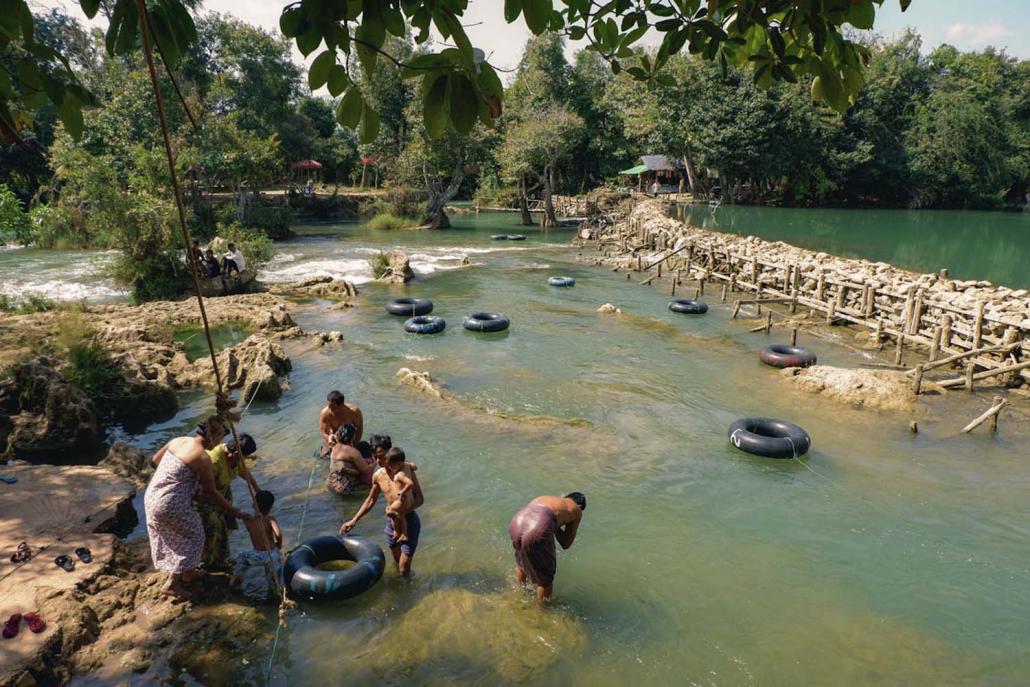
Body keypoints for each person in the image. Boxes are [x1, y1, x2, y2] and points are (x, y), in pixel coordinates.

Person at [144, 417, 249, 602]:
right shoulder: (203, 457)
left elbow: (155, 460)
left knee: (180, 534)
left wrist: (175, 476)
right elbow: (211, 493)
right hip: (171, 503)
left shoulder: (178, 440)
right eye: (219, 438)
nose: (219, 443)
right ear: (213, 437)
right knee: (196, 537)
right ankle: (172, 583)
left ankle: (188, 573)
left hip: (152, 495)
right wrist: (234, 512)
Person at [341, 442, 424, 577]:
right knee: (397, 562)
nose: (379, 461)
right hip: (392, 524)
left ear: (390, 454)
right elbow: (371, 500)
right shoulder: (378, 476)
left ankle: (410, 589)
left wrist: (403, 512)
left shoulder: (406, 471)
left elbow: (420, 499)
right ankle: (400, 590)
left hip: (409, 521)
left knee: (404, 568)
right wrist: (354, 520)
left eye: (382, 457)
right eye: (375, 457)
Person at [508, 493, 586, 603]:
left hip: (517, 520)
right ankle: (542, 611)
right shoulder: (576, 509)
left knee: (522, 563)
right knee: (546, 579)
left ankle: (521, 594)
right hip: (540, 522)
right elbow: (566, 544)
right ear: (580, 506)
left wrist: (553, 525)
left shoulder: (550, 499)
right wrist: (556, 528)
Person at [199, 433, 260, 571]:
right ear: (236, 453)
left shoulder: (235, 458)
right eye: (243, 457)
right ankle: (207, 564)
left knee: (227, 525)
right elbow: (209, 491)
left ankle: (222, 557)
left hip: (223, 492)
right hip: (207, 498)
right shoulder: (214, 462)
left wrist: (257, 489)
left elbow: (243, 471)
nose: (243, 460)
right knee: (213, 528)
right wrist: (235, 511)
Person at [232, 490, 283, 603]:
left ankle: (236, 581)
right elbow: (278, 534)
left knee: (241, 559)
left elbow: (237, 513)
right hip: (270, 555)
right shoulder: (270, 519)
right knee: (276, 570)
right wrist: (279, 544)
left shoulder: (248, 520)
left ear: (253, 504)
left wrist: (240, 513)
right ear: (270, 507)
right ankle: (275, 593)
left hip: (255, 556)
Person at [327, 423, 374, 495]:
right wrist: (376, 461)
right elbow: (366, 471)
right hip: (345, 488)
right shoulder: (353, 452)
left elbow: (332, 436)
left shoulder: (334, 446)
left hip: (331, 484)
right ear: (353, 436)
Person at [382, 448, 416, 543]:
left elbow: (410, 483)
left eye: (391, 466)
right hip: (409, 500)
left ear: (398, 464)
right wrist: (412, 467)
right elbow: (414, 466)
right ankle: (404, 534)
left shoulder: (399, 475)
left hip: (402, 500)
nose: (389, 468)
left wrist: (402, 492)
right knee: (402, 516)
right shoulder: (407, 465)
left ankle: (397, 532)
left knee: (390, 511)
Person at [317, 390, 363, 458]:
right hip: (334, 440)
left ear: (342, 405)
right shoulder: (325, 414)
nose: (330, 411)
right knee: (321, 456)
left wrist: (354, 444)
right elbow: (323, 432)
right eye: (329, 407)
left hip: (350, 440)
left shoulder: (354, 412)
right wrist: (329, 438)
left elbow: (359, 428)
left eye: (334, 408)